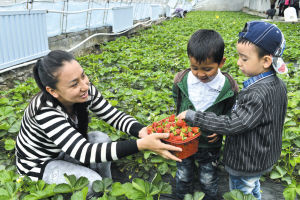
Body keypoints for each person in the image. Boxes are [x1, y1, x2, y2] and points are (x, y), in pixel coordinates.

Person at [15, 50, 182, 196]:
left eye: (83, 75)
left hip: (64, 151)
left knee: (101, 138)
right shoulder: (44, 111)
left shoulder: (84, 90)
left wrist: (142, 131)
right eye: (74, 84)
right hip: (39, 165)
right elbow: (84, 152)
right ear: (53, 91)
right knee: (92, 182)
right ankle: (95, 191)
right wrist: (141, 145)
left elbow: (113, 115)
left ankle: (107, 187)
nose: (84, 85)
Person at [177, 21, 288, 200]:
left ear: (266, 60)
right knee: (252, 186)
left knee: (241, 193)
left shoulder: (257, 94)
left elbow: (233, 123)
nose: (238, 63)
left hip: (246, 160)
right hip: (262, 156)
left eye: (244, 59)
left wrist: (194, 116)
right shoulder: (278, 85)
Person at [172, 29, 239, 200]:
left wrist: (221, 129)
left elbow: (232, 113)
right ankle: (182, 196)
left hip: (210, 144)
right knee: (183, 174)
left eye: (207, 69)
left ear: (221, 62)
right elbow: (177, 101)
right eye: (195, 68)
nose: (201, 74)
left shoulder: (228, 87)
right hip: (184, 141)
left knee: (208, 177)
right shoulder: (182, 80)